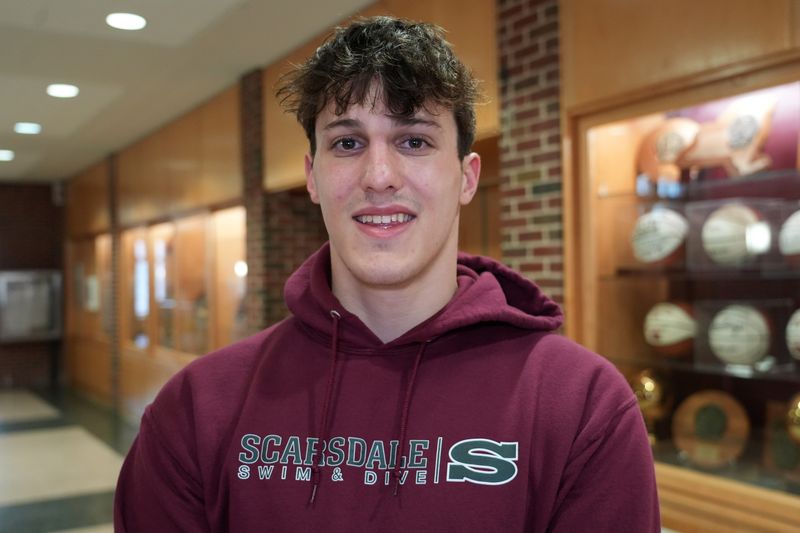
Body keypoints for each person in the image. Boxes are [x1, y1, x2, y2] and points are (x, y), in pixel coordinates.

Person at [114, 16, 660, 532]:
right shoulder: (197, 408)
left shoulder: (582, 407)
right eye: (347, 143)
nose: (379, 176)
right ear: (312, 176)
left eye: (414, 141)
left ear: (467, 178)